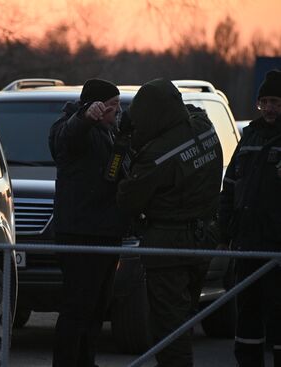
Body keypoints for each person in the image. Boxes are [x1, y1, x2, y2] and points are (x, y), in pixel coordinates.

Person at [116, 78, 223, 367]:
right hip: (203, 239)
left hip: (168, 245)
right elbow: (189, 111)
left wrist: (124, 144)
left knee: (169, 328)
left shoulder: (156, 156)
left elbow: (126, 198)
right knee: (185, 318)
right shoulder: (204, 127)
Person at [48, 78, 128, 367]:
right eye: (112, 107)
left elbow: (113, 173)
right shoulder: (71, 126)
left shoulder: (110, 133)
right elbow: (67, 139)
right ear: (94, 106)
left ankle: (86, 361)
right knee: (77, 308)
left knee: (97, 308)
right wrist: (84, 118)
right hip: (80, 234)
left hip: (106, 233)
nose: (117, 112)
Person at [219, 69, 281, 367]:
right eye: (265, 101)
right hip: (246, 245)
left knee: (278, 315)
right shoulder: (250, 137)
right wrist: (223, 230)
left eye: (277, 102)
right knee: (247, 314)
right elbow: (230, 186)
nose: (270, 108)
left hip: (276, 250)